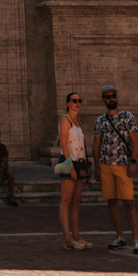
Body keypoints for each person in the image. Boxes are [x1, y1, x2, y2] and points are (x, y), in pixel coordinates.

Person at [92, 84, 138, 254]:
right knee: (111, 202)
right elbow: (96, 143)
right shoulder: (100, 120)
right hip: (105, 165)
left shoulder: (128, 117)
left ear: (116, 97)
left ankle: (137, 239)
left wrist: (133, 162)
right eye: (108, 97)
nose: (111, 99)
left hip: (123, 164)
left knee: (129, 202)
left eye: (113, 96)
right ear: (103, 100)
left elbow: (135, 141)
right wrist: (97, 167)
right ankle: (120, 237)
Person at [57, 92, 90, 250]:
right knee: (66, 201)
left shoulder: (78, 121)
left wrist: (86, 168)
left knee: (76, 202)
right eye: (74, 100)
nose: (78, 103)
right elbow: (64, 144)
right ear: (68, 103)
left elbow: (82, 145)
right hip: (68, 162)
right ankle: (67, 239)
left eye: (79, 100)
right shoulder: (65, 119)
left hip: (80, 163)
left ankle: (76, 236)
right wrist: (71, 167)